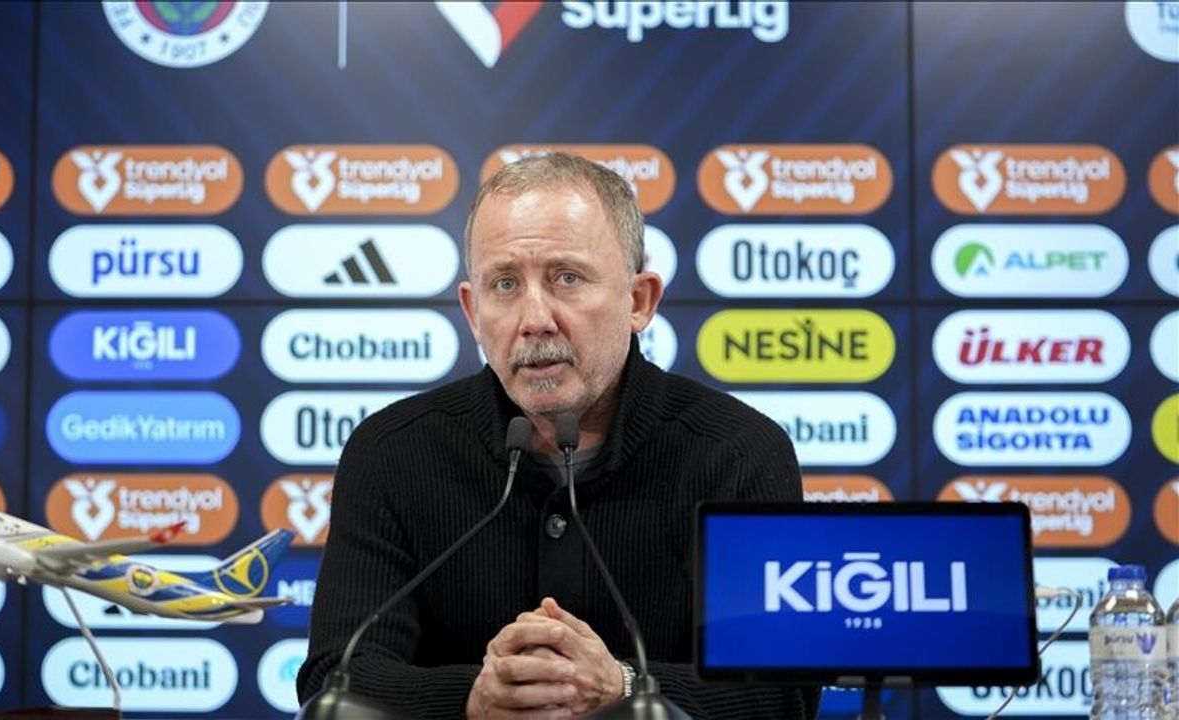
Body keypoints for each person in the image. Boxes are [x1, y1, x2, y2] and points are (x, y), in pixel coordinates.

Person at [297, 152, 818, 719]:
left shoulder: (739, 452)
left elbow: (782, 693)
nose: (534, 319)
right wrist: (474, 697)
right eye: (505, 284)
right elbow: (335, 678)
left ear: (639, 301)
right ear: (472, 312)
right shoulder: (392, 451)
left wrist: (623, 686)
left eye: (567, 278)